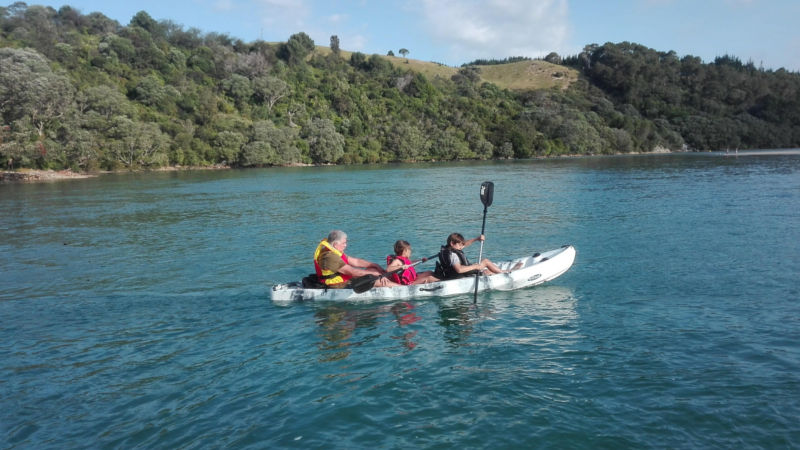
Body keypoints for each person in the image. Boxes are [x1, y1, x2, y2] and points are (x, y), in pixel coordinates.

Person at [313, 230, 400, 288]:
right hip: (337, 285)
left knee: (372, 269)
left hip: (345, 278)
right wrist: (377, 275)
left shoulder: (334, 250)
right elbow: (352, 272)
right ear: (335, 244)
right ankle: (403, 288)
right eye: (344, 243)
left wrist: (374, 265)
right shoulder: (329, 257)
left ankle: (395, 282)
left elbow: (355, 262)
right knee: (375, 280)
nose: (345, 245)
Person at [433, 232, 511, 280]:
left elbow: (464, 244)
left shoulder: (447, 250)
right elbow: (459, 270)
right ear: (452, 243)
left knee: (486, 271)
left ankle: (501, 272)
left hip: (451, 274)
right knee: (485, 261)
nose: (461, 247)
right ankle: (503, 273)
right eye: (459, 245)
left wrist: (476, 239)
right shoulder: (453, 255)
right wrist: (475, 267)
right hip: (461, 275)